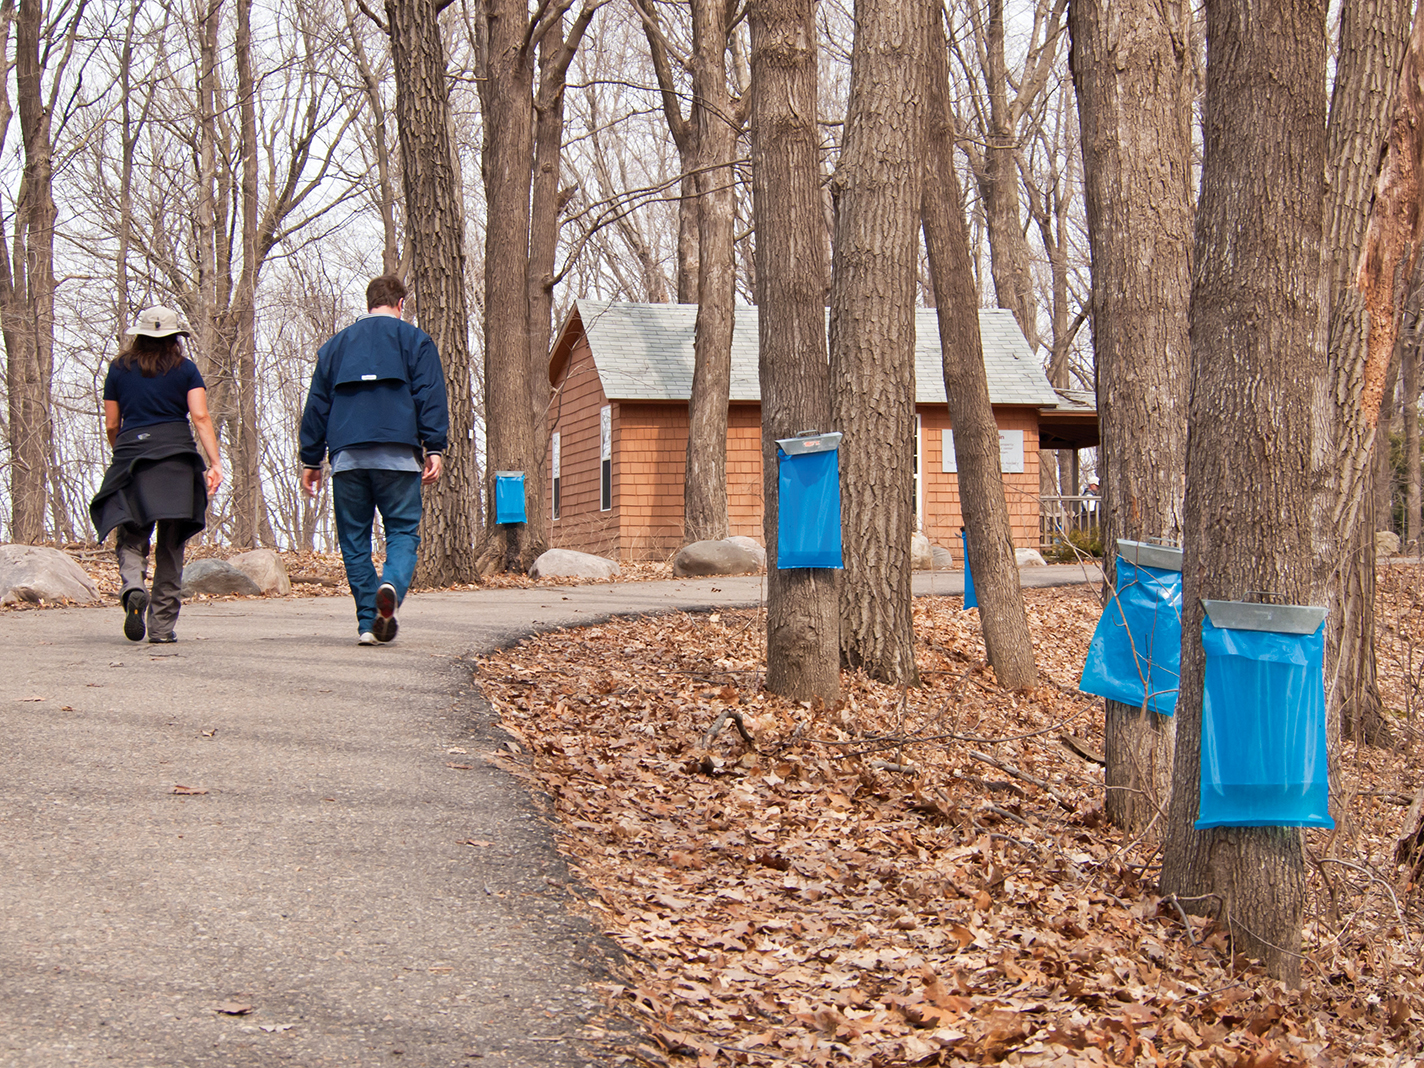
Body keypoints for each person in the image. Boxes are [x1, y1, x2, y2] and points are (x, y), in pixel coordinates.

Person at [299, 275, 448, 646]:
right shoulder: (415, 341)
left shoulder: (334, 347)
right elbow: (429, 394)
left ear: (368, 304)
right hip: (398, 454)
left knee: (354, 540)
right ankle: (391, 587)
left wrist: (311, 459)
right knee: (401, 531)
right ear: (401, 305)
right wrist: (434, 446)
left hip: (348, 456)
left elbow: (317, 405)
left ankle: (368, 623)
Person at [90, 306, 224, 643]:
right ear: (175, 337)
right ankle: (162, 628)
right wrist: (215, 462)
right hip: (177, 460)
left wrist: (122, 451)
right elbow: (201, 416)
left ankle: (134, 586)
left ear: (139, 335)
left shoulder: (119, 370)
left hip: (133, 457)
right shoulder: (186, 370)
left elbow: (111, 423)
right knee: (171, 544)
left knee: (132, 535)